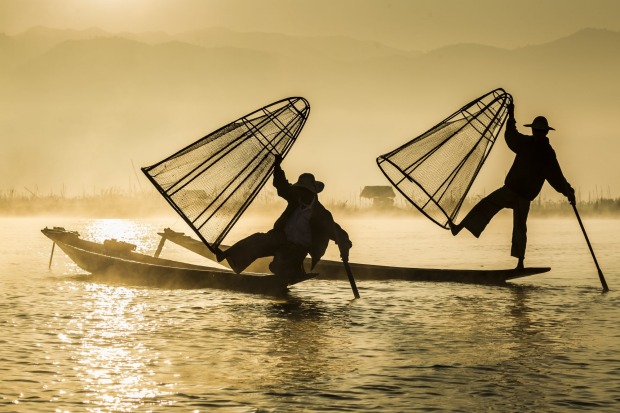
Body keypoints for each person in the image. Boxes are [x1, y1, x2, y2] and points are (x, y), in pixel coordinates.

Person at [449, 101, 576, 269]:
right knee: (486, 204)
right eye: (536, 131)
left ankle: (520, 263)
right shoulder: (526, 143)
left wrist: (568, 191)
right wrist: (511, 115)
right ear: (533, 131)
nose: (537, 134)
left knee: (520, 228)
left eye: (540, 132)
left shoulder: (547, 154)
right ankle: (460, 227)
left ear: (545, 133)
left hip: (524, 196)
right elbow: (511, 136)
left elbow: (556, 176)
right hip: (509, 190)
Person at [216, 154, 352, 278]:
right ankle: (229, 256)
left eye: (304, 191)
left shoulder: (321, 214)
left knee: (282, 264)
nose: (300, 193)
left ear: (312, 193)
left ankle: (287, 272)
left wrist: (344, 247)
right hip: (281, 238)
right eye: (299, 190)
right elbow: (281, 186)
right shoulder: (295, 200)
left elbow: (336, 231)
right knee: (258, 239)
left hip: (298, 248)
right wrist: (277, 166)